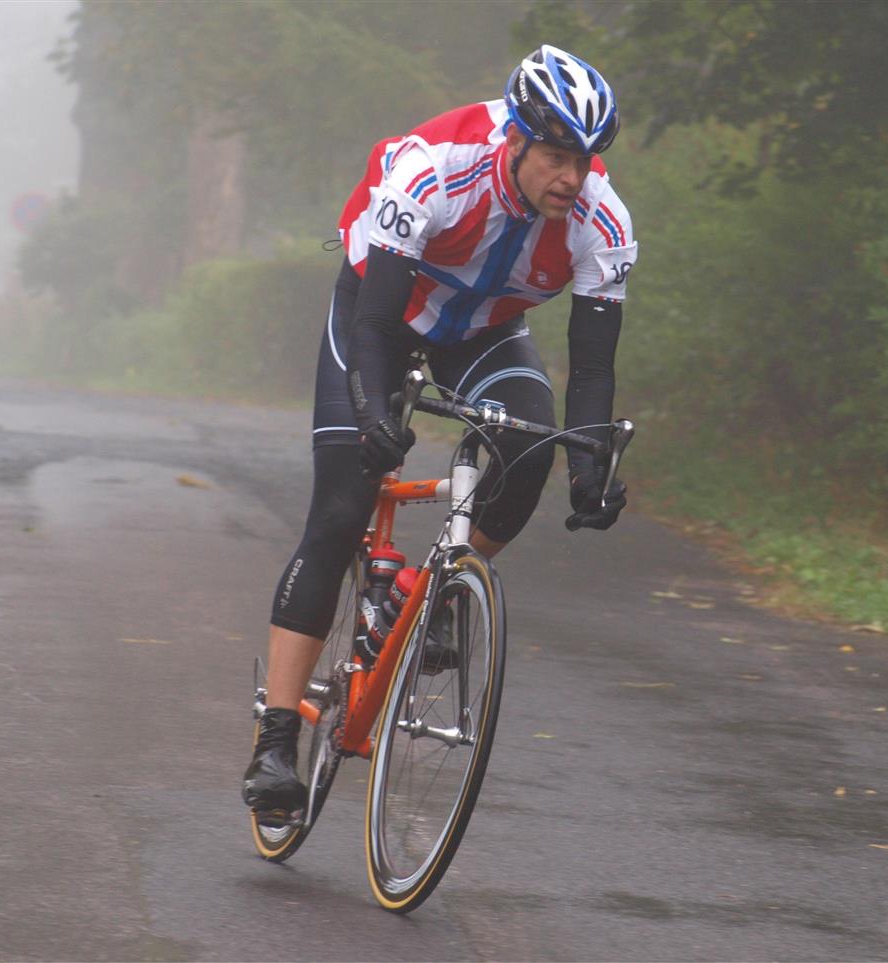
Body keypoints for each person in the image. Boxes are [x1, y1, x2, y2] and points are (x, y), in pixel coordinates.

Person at [243, 45, 637, 817]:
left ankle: (427, 596)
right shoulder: (434, 168)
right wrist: (371, 410)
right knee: (338, 512)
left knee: (533, 445)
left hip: (483, 333)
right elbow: (374, 322)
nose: (572, 177)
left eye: (585, 160)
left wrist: (590, 469)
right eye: (557, 155)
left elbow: (592, 374)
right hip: (380, 318)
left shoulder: (603, 220)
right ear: (513, 139)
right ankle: (275, 741)